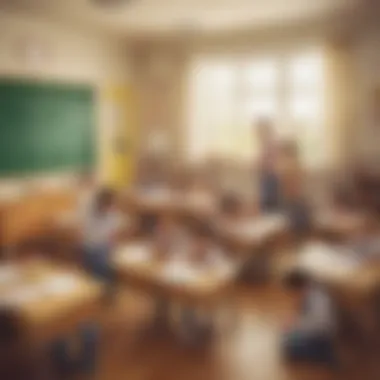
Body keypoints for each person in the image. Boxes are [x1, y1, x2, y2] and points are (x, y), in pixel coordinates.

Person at [282, 271, 337, 367]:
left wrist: (296, 326)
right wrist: (293, 322)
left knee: (290, 348)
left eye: (294, 292)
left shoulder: (318, 298)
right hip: (315, 329)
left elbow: (320, 324)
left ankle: (325, 354)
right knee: (286, 340)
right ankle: (321, 351)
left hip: (323, 333)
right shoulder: (309, 293)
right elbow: (305, 314)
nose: (293, 296)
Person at [82, 188, 124, 292]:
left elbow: (116, 230)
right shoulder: (89, 213)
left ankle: (106, 287)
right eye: (110, 204)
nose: (112, 207)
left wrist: (114, 241)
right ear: (101, 203)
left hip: (105, 246)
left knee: (116, 261)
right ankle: (102, 287)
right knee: (102, 262)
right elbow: (91, 236)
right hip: (91, 246)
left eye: (113, 204)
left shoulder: (113, 213)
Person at [278, 140, 312, 238]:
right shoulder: (286, 168)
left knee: (301, 212)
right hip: (290, 201)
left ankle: (301, 235)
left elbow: (296, 187)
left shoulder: (294, 166)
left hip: (295, 201)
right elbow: (287, 188)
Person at [255, 118, 281, 212]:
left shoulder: (272, 144)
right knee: (264, 186)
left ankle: (269, 210)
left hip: (273, 177)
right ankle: (266, 210)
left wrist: (265, 164)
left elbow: (272, 163)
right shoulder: (263, 145)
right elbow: (261, 164)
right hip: (266, 177)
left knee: (268, 185)